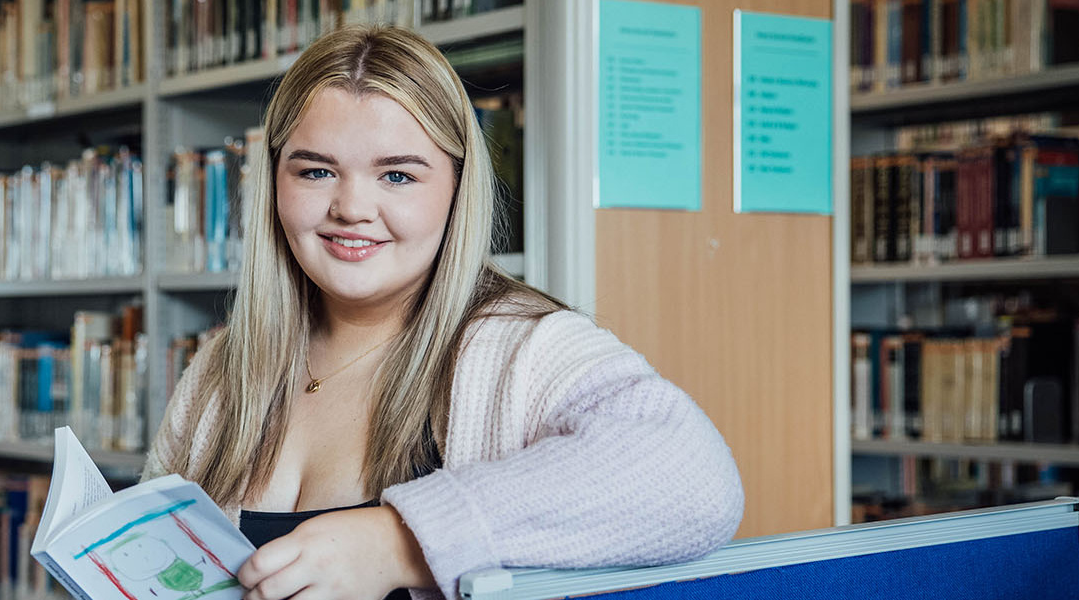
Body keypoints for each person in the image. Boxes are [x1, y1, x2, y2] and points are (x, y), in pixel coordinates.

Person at [142, 24, 744, 600]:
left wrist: (398, 542)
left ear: (457, 189)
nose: (352, 207)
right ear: (274, 181)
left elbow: (694, 480)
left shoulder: (522, 348)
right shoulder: (223, 365)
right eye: (317, 171)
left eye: (397, 175)